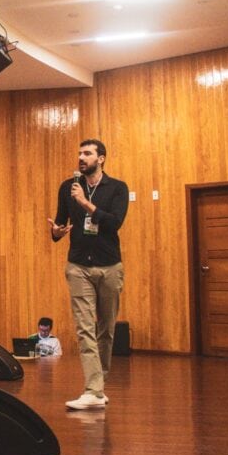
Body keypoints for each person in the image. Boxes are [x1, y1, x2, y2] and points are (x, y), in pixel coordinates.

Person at [48, 138, 129, 410]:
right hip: (78, 266)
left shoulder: (117, 188)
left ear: (101, 158)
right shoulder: (67, 187)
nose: (81, 158)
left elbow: (114, 223)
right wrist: (56, 231)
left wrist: (85, 203)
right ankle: (93, 390)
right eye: (79, 153)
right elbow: (60, 224)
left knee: (106, 329)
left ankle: (98, 386)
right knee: (85, 329)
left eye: (87, 153)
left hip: (110, 266)